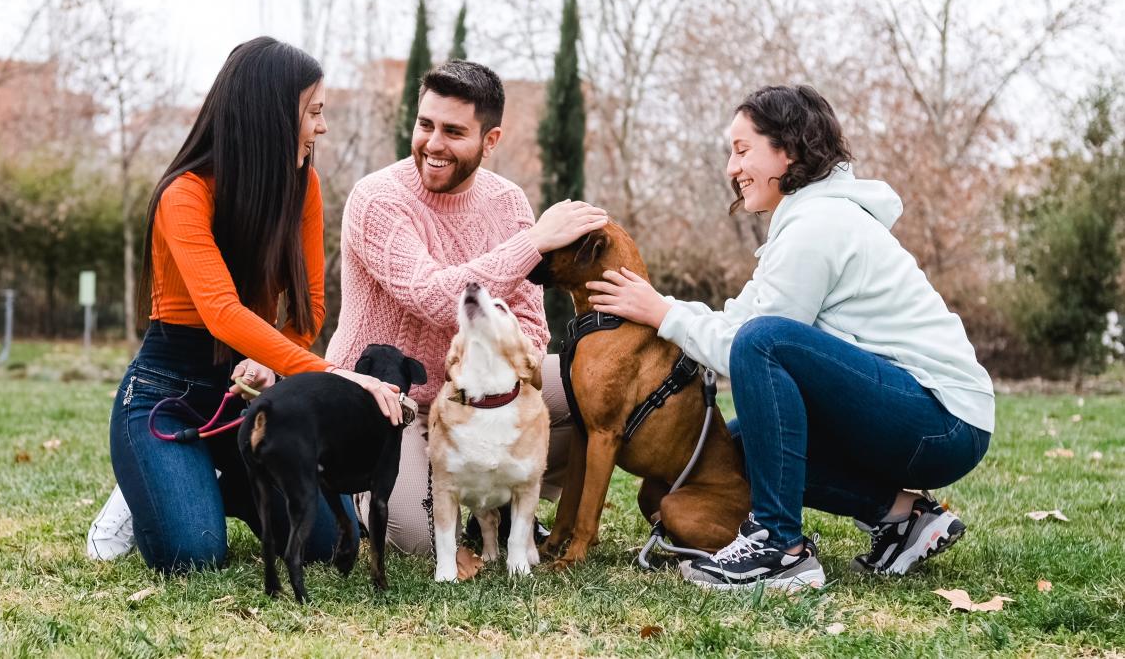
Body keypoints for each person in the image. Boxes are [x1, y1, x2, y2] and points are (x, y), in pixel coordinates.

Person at [586, 85, 994, 590]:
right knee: (733, 452)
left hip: (943, 421)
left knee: (764, 342)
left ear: (790, 150)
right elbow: (741, 321)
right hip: (915, 414)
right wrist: (662, 309)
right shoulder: (805, 220)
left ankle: (781, 549)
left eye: (741, 150)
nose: (731, 169)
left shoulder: (818, 225)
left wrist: (664, 313)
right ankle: (904, 518)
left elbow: (751, 346)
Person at [88, 37, 401, 572]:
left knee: (326, 545)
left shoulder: (303, 185)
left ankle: (216, 481)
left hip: (251, 401)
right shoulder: (183, 194)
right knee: (194, 554)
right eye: (314, 112)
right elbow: (221, 311)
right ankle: (150, 483)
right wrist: (336, 375)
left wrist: (276, 360)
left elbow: (310, 309)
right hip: (169, 394)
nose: (321, 127)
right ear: (270, 116)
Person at [327, 60, 609, 554]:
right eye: (425, 125)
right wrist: (534, 243)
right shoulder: (377, 199)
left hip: (474, 394)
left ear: (490, 140)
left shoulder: (507, 202)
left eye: (453, 131)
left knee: (598, 387)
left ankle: (503, 496)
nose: (433, 144)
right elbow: (435, 297)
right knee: (413, 537)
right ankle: (366, 490)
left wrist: (492, 396)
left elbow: (530, 324)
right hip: (392, 402)